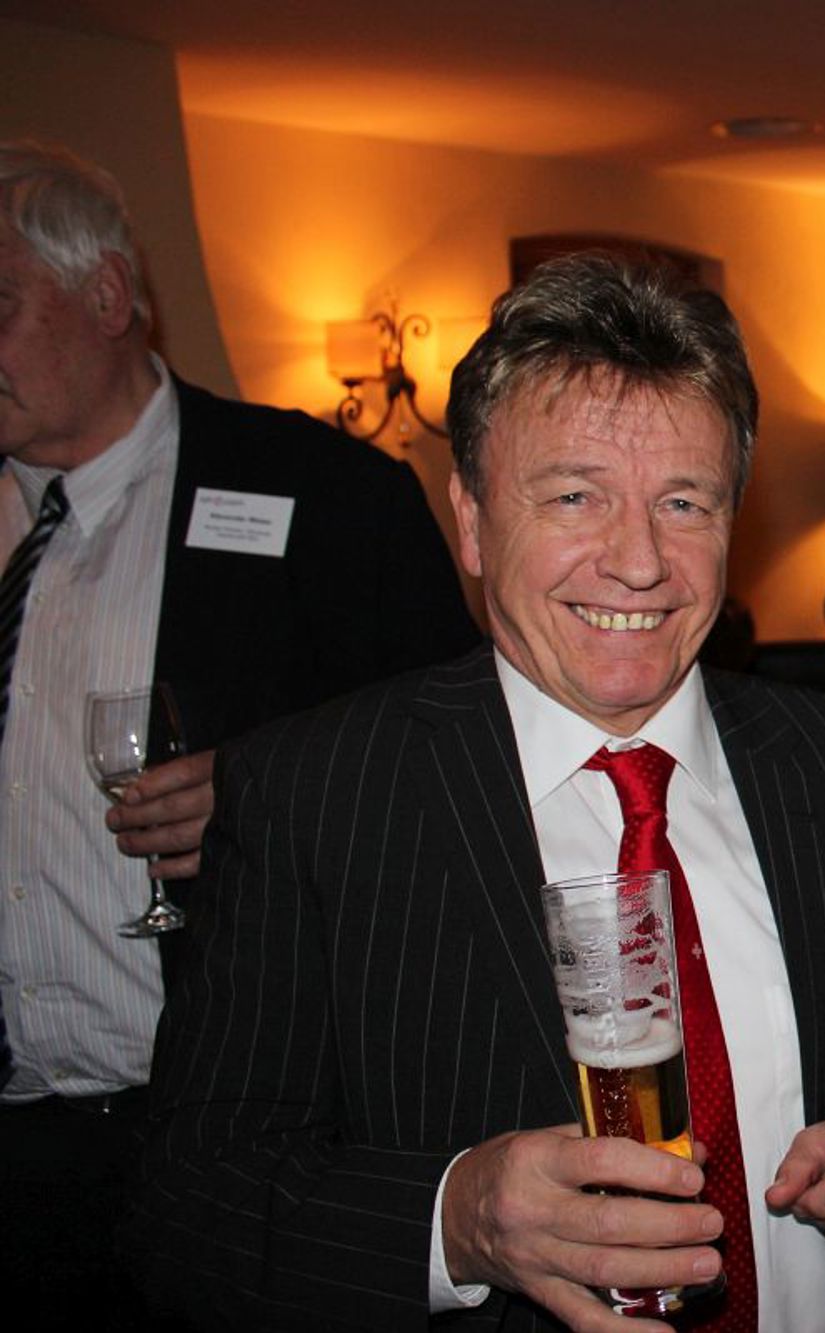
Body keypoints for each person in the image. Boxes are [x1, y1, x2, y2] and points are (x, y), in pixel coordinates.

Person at [130, 254, 825, 1332]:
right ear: (473, 521)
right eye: (575, 496)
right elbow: (192, 1200)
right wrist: (456, 1220)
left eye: (684, 502)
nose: (639, 562)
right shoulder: (313, 797)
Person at [0, 141, 479, 1327]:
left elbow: (458, 758)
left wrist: (273, 795)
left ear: (108, 296)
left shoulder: (318, 490)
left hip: (226, 1139)